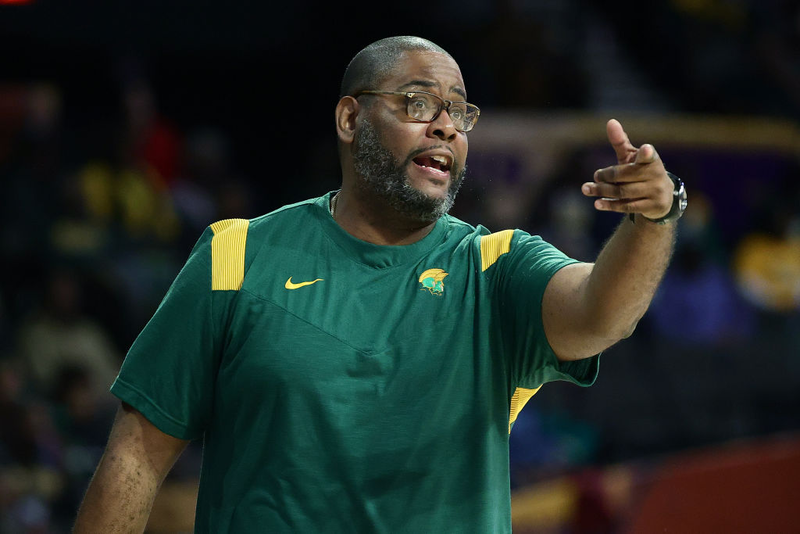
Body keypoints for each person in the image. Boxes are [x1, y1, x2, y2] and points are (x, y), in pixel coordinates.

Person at [73, 36, 685, 533]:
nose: (446, 127)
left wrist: (655, 218)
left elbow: (604, 315)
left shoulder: (495, 268)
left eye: (459, 112)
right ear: (351, 118)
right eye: (419, 103)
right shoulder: (237, 255)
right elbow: (137, 453)